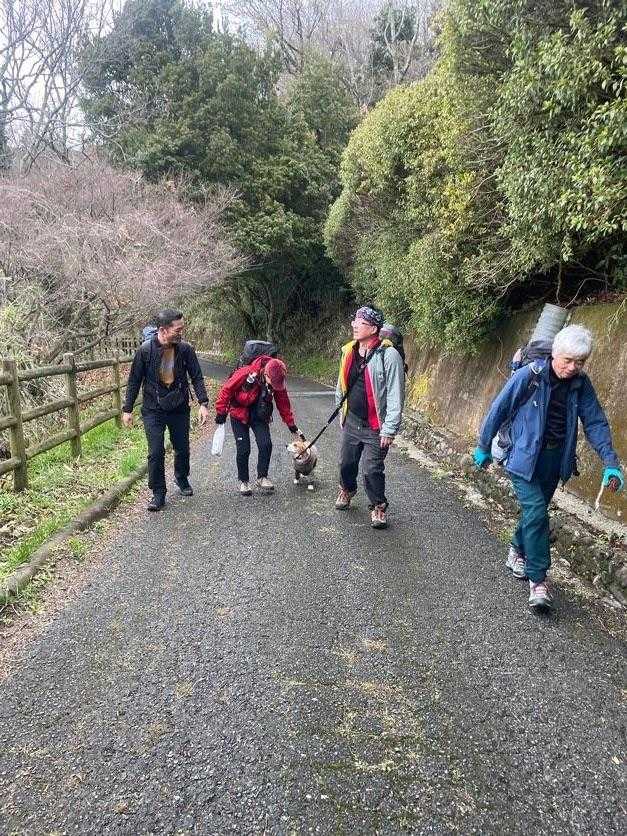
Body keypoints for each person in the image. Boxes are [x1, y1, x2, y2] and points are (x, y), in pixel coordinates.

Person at [473, 324, 623, 609]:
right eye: (568, 360)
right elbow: (499, 408)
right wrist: (483, 446)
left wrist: (610, 462)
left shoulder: (580, 384)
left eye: (580, 362)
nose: (573, 367)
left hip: (555, 461)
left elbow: (595, 422)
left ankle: (516, 549)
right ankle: (538, 580)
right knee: (536, 512)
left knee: (536, 510)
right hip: (523, 457)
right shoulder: (529, 375)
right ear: (555, 354)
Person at [122, 309, 210, 511]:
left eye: (182, 328)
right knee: (155, 452)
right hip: (153, 409)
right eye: (178, 329)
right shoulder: (145, 351)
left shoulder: (185, 349)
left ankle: (181, 477)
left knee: (182, 447)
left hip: (179, 406)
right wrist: (127, 409)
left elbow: (196, 376)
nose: (181, 332)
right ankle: (158, 492)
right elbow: (134, 380)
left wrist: (203, 403)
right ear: (163, 330)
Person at [334, 306, 405, 529]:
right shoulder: (348, 350)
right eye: (354, 320)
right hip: (352, 420)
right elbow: (341, 384)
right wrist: (341, 411)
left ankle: (378, 506)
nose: (354, 325)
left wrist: (389, 429)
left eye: (360, 322)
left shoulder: (389, 355)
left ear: (374, 329)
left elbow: (395, 395)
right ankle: (347, 489)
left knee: (372, 469)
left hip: (376, 425)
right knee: (346, 463)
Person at [215, 355, 301, 495]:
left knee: (266, 444)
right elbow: (226, 390)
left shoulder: (277, 379)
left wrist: (290, 423)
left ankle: (262, 477)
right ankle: (244, 482)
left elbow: (283, 402)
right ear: (266, 374)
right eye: (273, 383)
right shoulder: (245, 373)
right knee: (243, 449)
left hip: (260, 414)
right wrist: (221, 411)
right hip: (239, 413)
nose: (275, 386)